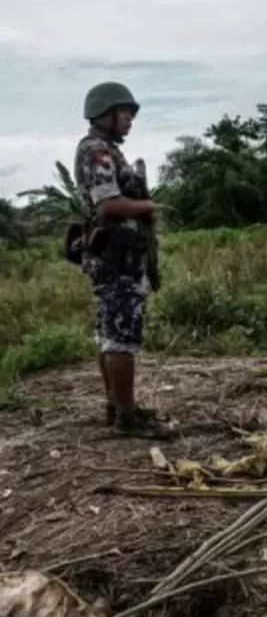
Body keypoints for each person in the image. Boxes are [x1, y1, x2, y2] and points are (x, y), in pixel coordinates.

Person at [74, 81, 171, 440]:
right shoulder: (97, 151)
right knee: (121, 338)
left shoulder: (105, 150)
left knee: (109, 336)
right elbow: (108, 204)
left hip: (116, 256)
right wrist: (150, 205)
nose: (130, 120)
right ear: (105, 114)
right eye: (125, 113)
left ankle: (118, 406)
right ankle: (127, 417)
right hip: (117, 258)